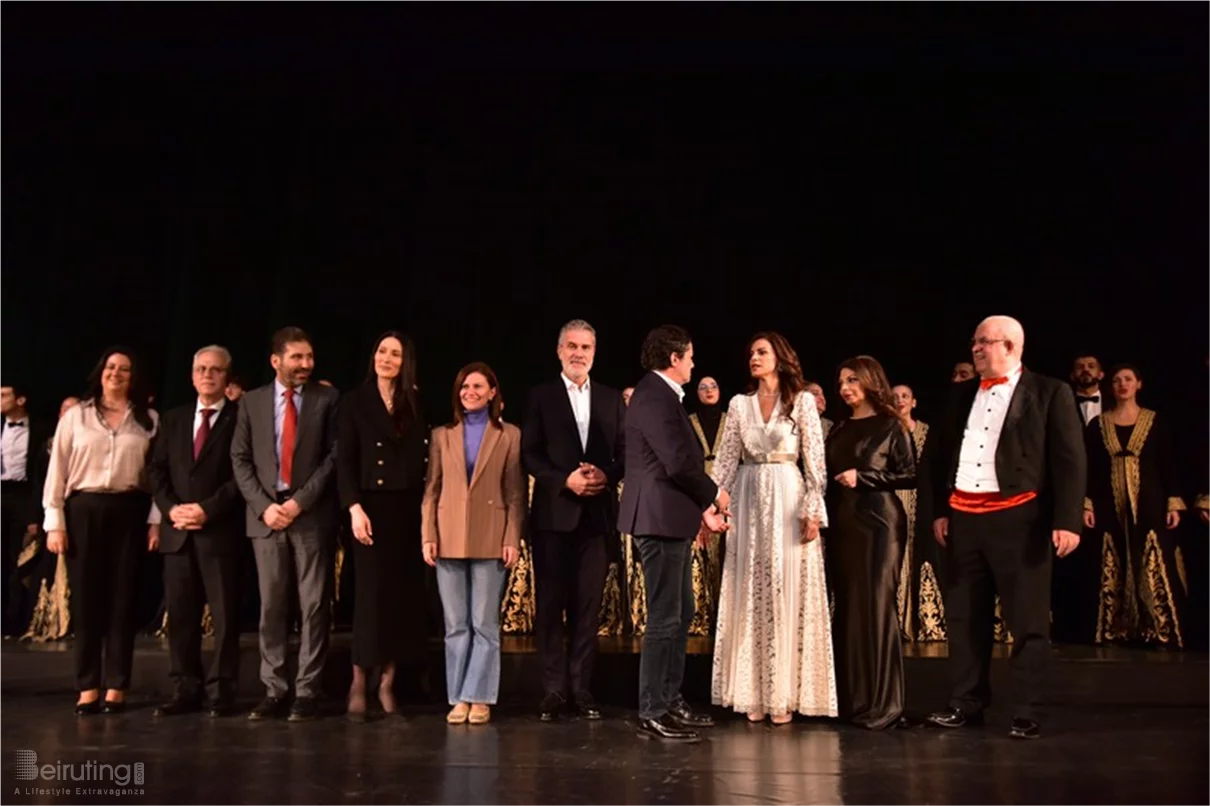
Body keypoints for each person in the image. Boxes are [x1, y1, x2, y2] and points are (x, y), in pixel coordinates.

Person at [927, 316, 1085, 740]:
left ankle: (1028, 708)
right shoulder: (960, 395)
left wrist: (1067, 520)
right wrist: (940, 512)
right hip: (964, 517)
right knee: (964, 618)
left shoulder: (1050, 391)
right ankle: (966, 701)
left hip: (1021, 519)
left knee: (1027, 620)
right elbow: (937, 457)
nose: (976, 349)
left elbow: (1069, 461)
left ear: (1011, 347)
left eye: (984, 342)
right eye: (974, 341)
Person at [709, 332, 835, 724]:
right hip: (747, 499)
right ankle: (752, 693)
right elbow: (726, 460)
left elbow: (815, 461)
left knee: (785, 587)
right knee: (749, 587)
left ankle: (784, 694)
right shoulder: (739, 404)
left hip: (787, 497)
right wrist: (716, 501)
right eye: (751, 353)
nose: (754, 357)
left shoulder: (801, 403)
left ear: (780, 357)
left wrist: (813, 509)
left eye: (762, 352)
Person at [618, 325, 729, 743]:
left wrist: (702, 510)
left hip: (671, 518)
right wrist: (715, 493)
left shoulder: (661, 396)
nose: (694, 364)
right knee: (665, 617)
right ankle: (652, 709)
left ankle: (669, 697)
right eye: (691, 356)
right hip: (657, 520)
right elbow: (679, 463)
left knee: (681, 612)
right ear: (674, 358)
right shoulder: (654, 395)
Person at [42, 348, 161, 714]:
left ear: (133, 376)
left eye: (125, 369)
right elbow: (57, 471)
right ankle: (87, 685)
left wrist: (156, 519)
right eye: (111, 367)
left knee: (123, 601)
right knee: (88, 601)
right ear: (100, 372)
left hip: (129, 510)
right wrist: (54, 523)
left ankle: (117, 686)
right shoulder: (76, 416)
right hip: (84, 510)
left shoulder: (149, 420)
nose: (117, 374)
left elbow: (159, 477)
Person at [231, 326, 340, 722]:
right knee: (272, 606)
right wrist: (264, 506)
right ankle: (275, 690)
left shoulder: (328, 399)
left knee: (313, 606)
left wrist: (299, 502)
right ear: (276, 361)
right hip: (267, 517)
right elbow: (240, 459)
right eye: (297, 358)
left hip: (308, 514)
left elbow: (333, 457)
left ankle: (307, 691)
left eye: (309, 357)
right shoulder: (251, 402)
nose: (305, 365)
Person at [522, 320, 626, 722]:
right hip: (553, 516)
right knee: (549, 606)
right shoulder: (540, 396)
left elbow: (625, 453)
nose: (578, 353)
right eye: (571, 346)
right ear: (559, 351)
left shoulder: (613, 399)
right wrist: (562, 479)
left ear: (594, 353)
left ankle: (581, 688)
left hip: (596, 519)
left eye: (585, 347)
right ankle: (552, 689)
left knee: (588, 607)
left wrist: (606, 475)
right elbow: (530, 453)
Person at [422, 362, 523, 725]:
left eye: (479, 386)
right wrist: (428, 535)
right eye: (465, 386)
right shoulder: (441, 435)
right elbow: (431, 491)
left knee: (483, 623)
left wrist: (512, 537)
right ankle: (458, 697)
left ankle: (479, 696)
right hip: (447, 536)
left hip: (490, 536)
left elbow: (515, 493)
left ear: (493, 392)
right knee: (455, 624)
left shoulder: (509, 434)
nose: (471, 392)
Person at [336, 332, 428, 721]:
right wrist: (354, 507)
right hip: (369, 507)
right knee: (370, 595)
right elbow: (343, 459)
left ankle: (387, 681)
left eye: (395, 354)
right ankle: (359, 677)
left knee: (400, 596)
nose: (386, 358)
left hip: (406, 508)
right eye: (381, 351)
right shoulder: (354, 400)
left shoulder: (414, 400)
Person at [148, 345, 243, 718]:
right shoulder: (174, 419)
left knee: (225, 618)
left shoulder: (240, 418)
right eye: (201, 369)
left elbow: (242, 476)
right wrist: (173, 509)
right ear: (191, 376)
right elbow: (156, 470)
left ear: (226, 377)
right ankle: (185, 689)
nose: (207, 375)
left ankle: (221, 692)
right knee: (182, 617)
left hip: (220, 532)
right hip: (178, 532)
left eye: (215, 370)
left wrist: (207, 509)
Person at [826, 356, 916, 730]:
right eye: (842, 381)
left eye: (853, 380)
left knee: (877, 607)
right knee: (847, 608)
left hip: (880, 524)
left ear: (870, 381)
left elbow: (910, 474)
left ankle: (884, 705)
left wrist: (865, 477)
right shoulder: (838, 429)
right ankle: (851, 701)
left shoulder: (891, 425)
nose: (845, 387)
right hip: (844, 524)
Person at [1084, 364, 1187, 647]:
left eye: (1128, 379)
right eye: (1117, 380)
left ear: (1138, 384)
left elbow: (1168, 465)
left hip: (1150, 498)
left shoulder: (1155, 421)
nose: (1122, 385)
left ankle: (1157, 628)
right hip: (1108, 499)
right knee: (1113, 553)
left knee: (1151, 553)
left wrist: (1173, 503)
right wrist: (1087, 504)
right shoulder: (1099, 425)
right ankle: (1116, 628)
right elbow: (1090, 469)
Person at [1, 383, 47, 636]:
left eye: (3, 395)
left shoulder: (39, 430)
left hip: (24, 496)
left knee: (20, 561)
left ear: (21, 400)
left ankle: (17, 621)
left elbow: (42, 474)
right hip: (0, 492)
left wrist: (34, 514)